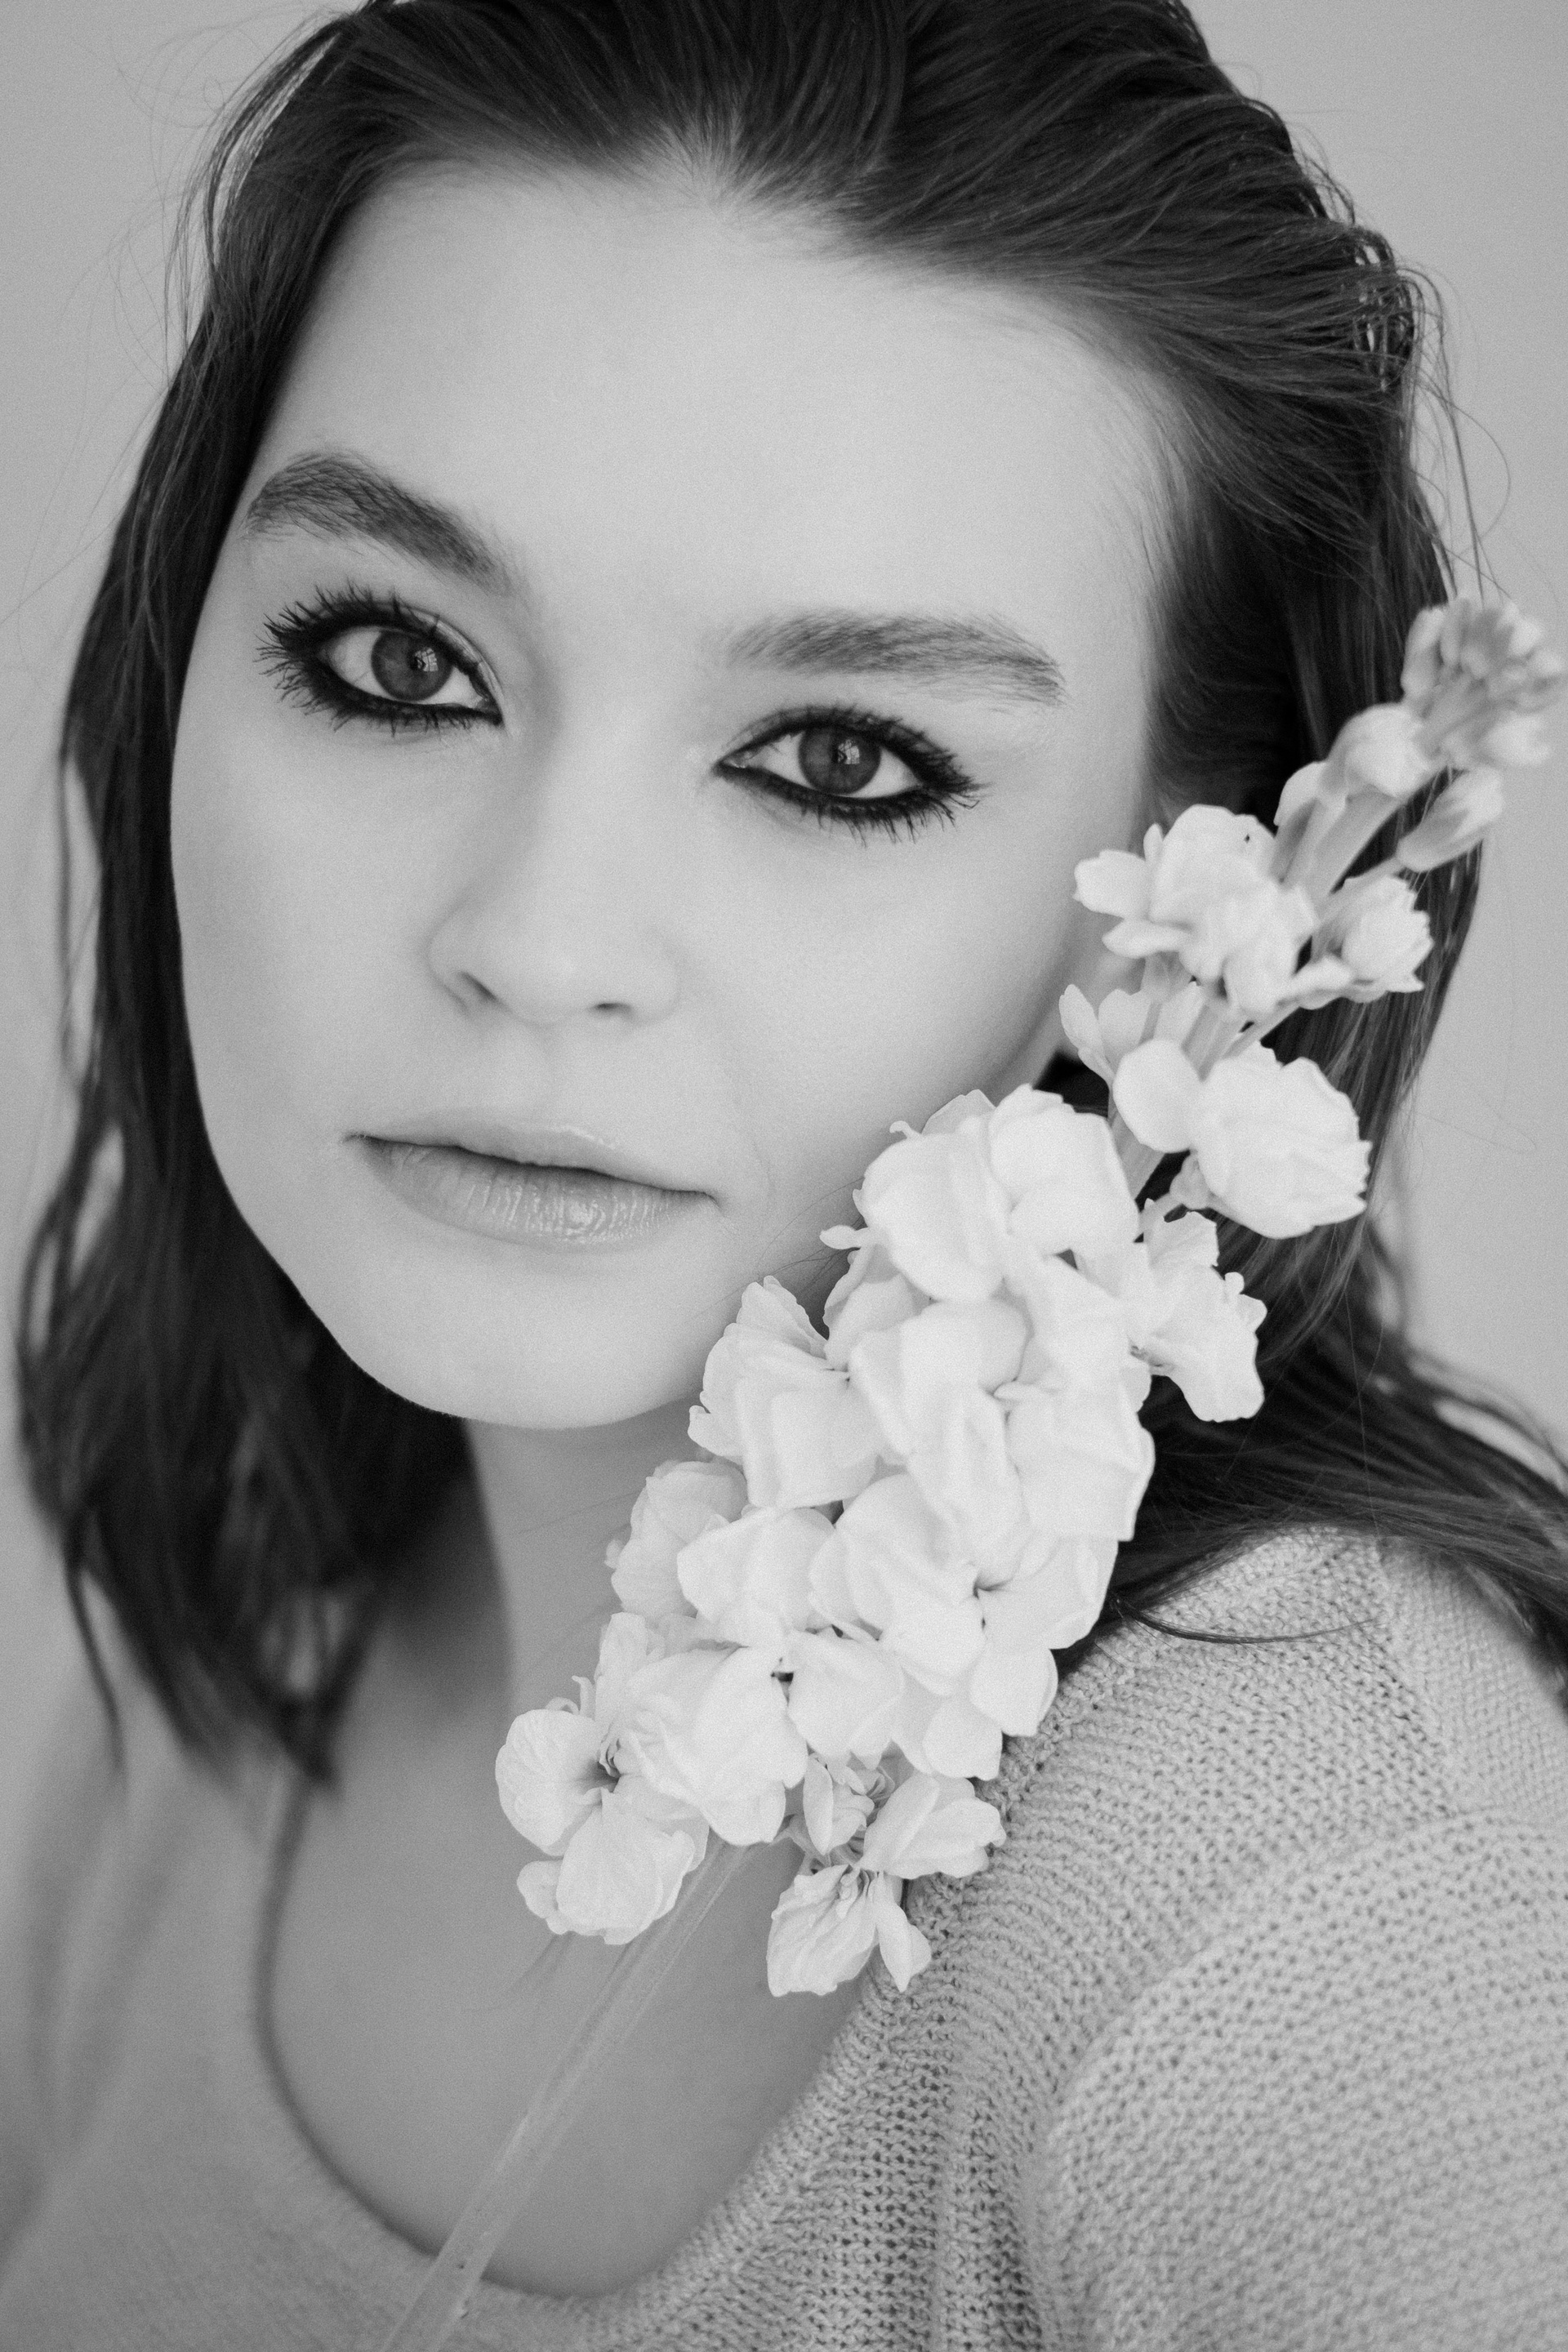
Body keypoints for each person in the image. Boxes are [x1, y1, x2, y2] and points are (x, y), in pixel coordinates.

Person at [3, 1, 1566, 2342]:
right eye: (399, 660)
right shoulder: (224, 1687)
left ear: (1192, 903)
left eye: (839, 760)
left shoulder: (1315, 1926)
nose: (536, 941)